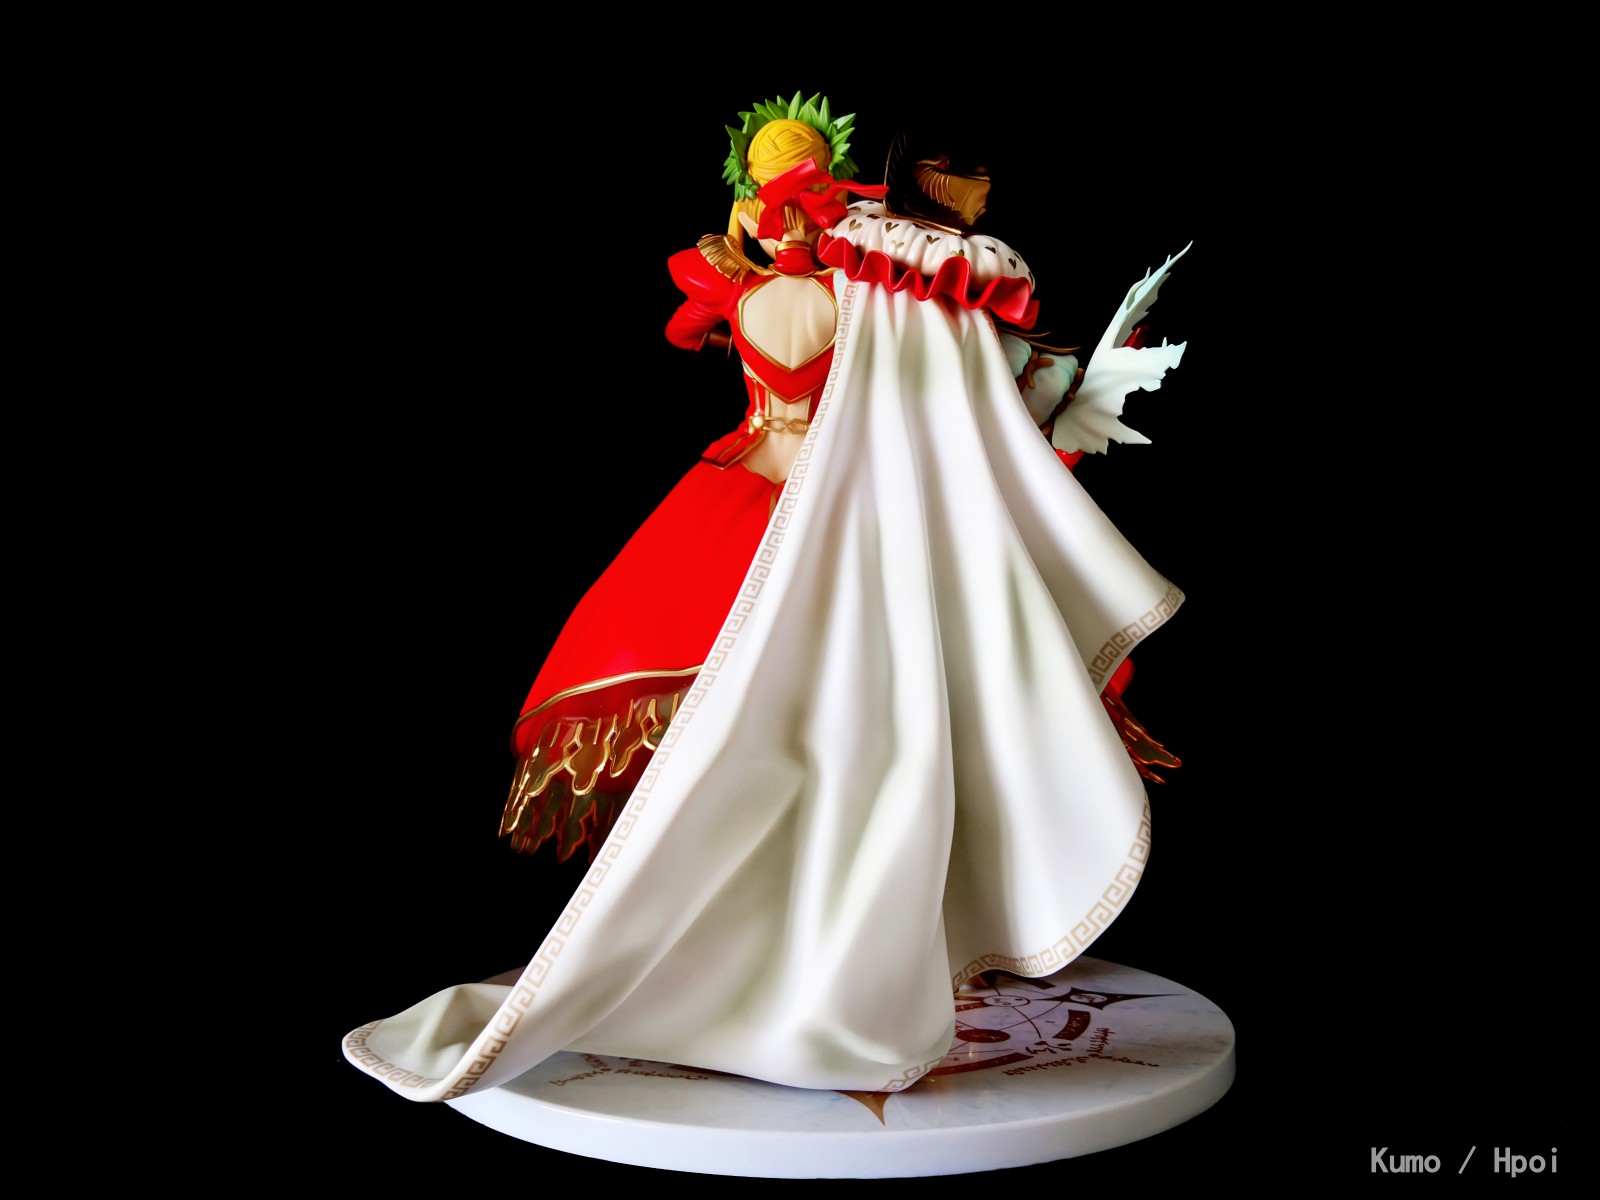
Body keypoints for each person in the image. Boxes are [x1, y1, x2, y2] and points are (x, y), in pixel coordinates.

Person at [343, 91, 1190, 1100]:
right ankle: (808, 945)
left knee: (789, 744)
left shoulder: (806, 291)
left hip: (763, 494)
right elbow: (965, 394)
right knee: (847, 734)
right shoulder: (881, 290)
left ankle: (790, 940)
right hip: (835, 516)